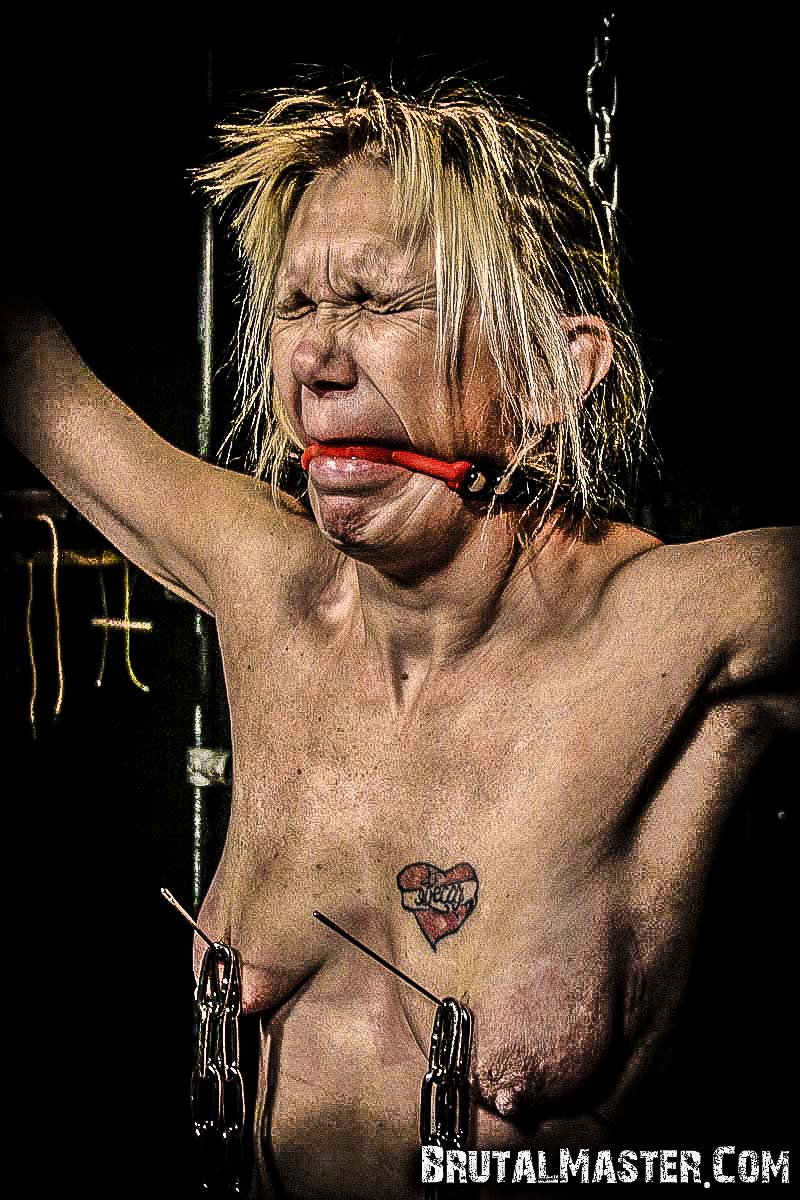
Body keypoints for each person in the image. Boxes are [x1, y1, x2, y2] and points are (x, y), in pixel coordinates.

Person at [2, 81, 797, 1198]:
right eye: (295, 306)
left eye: (379, 302)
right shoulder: (270, 584)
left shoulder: (681, 627)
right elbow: (31, 379)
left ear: (551, 371)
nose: (315, 363)